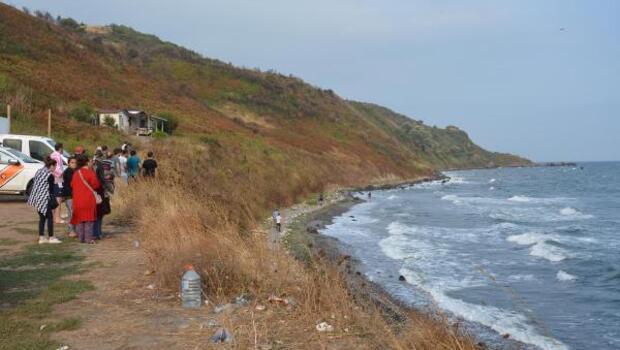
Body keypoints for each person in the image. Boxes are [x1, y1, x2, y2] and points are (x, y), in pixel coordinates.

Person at [27, 157, 61, 244]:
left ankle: (41, 237)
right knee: (50, 217)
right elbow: (51, 189)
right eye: (55, 166)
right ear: (52, 165)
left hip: (37, 198)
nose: (55, 168)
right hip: (45, 198)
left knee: (42, 218)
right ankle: (51, 237)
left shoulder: (39, 171)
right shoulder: (50, 175)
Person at [71, 154, 101, 244]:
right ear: (87, 162)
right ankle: (88, 238)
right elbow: (96, 185)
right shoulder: (90, 173)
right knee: (89, 220)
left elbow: (72, 185)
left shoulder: (76, 173)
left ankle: (81, 238)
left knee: (80, 219)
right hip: (88, 199)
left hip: (77, 199)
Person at [93, 150, 114, 239]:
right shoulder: (100, 165)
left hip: (94, 191)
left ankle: (96, 232)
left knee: (96, 214)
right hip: (100, 191)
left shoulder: (92, 165)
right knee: (99, 214)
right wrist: (110, 189)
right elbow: (102, 179)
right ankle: (97, 233)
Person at [62, 156, 78, 238]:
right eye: (72, 162)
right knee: (71, 213)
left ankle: (73, 230)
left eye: (75, 162)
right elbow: (71, 185)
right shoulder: (68, 172)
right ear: (68, 163)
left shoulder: (74, 171)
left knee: (72, 213)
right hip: (69, 195)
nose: (74, 164)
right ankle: (71, 231)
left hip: (73, 195)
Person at [50, 142, 65, 225]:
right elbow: (58, 169)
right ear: (60, 148)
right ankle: (57, 218)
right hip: (58, 179)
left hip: (54, 178)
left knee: (55, 198)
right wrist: (62, 174)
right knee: (58, 198)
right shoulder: (57, 156)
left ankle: (54, 216)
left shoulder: (52, 154)